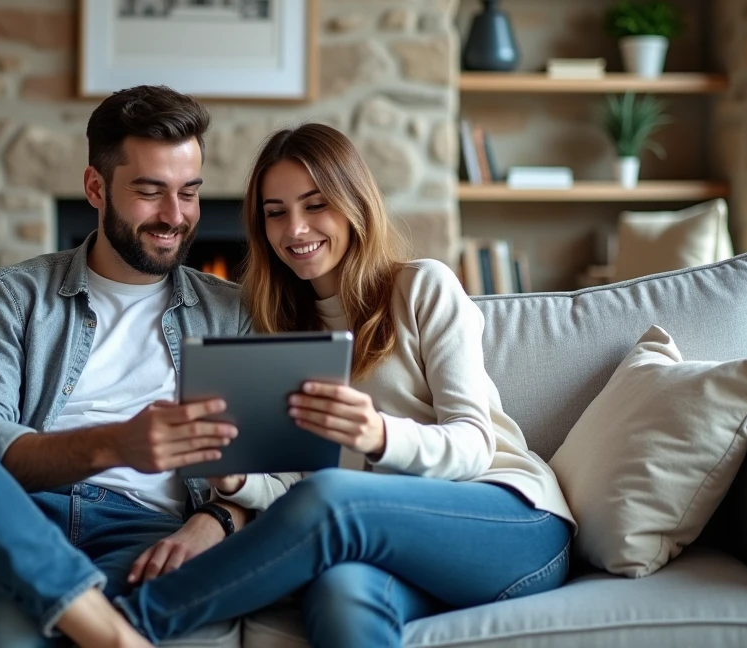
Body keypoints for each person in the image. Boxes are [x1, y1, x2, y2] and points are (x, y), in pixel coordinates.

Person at [112, 123, 577, 646]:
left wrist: (379, 434)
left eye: (315, 205)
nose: (295, 229)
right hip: (392, 548)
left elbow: (474, 444)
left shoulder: (421, 287)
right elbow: (291, 485)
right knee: (337, 590)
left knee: (334, 496)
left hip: (511, 525)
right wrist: (234, 480)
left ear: (354, 203)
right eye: (276, 212)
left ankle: (129, 623)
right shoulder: (276, 326)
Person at [0, 85, 253, 648]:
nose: (175, 216)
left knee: (6, 636)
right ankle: (109, 633)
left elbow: (265, 471)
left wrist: (214, 521)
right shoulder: (13, 295)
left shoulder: (230, 313)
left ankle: (70, 610)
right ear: (95, 187)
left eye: (189, 193)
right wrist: (116, 444)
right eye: (150, 192)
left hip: (140, 537)